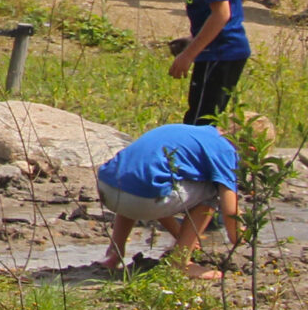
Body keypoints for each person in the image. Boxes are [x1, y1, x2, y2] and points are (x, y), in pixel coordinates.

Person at [96, 120, 249, 280]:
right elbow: (230, 210)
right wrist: (239, 237)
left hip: (107, 188)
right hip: (143, 198)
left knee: (136, 179)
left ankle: (114, 253)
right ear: (252, 149)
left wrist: (178, 233)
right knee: (212, 191)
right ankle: (180, 263)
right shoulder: (226, 151)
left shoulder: (185, 131)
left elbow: (151, 187)